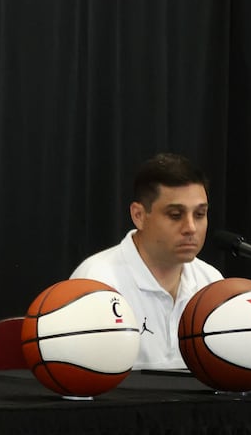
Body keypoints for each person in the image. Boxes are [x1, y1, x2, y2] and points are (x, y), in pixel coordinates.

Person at [70, 153, 222, 372]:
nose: (191, 227)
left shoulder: (213, 284)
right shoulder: (96, 281)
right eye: (175, 215)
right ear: (139, 215)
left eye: (200, 214)